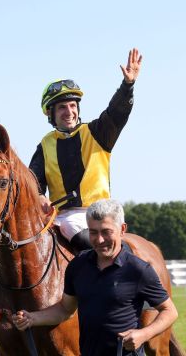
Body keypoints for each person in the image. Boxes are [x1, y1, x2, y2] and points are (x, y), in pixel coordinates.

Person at [12, 199, 178, 355]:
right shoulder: (78, 266)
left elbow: (170, 311)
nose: (99, 240)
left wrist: (143, 334)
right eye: (93, 232)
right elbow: (65, 309)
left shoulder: (138, 269)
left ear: (122, 229)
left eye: (106, 232)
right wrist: (32, 318)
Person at [29, 48, 142, 252]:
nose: (69, 112)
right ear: (51, 113)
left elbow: (116, 112)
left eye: (73, 105)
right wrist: (39, 197)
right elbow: (34, 182)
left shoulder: (97, 132)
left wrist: (127, 86)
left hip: (99, 211)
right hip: (61, 215)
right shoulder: (45, 145)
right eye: (62, 107)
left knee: (69, 226)